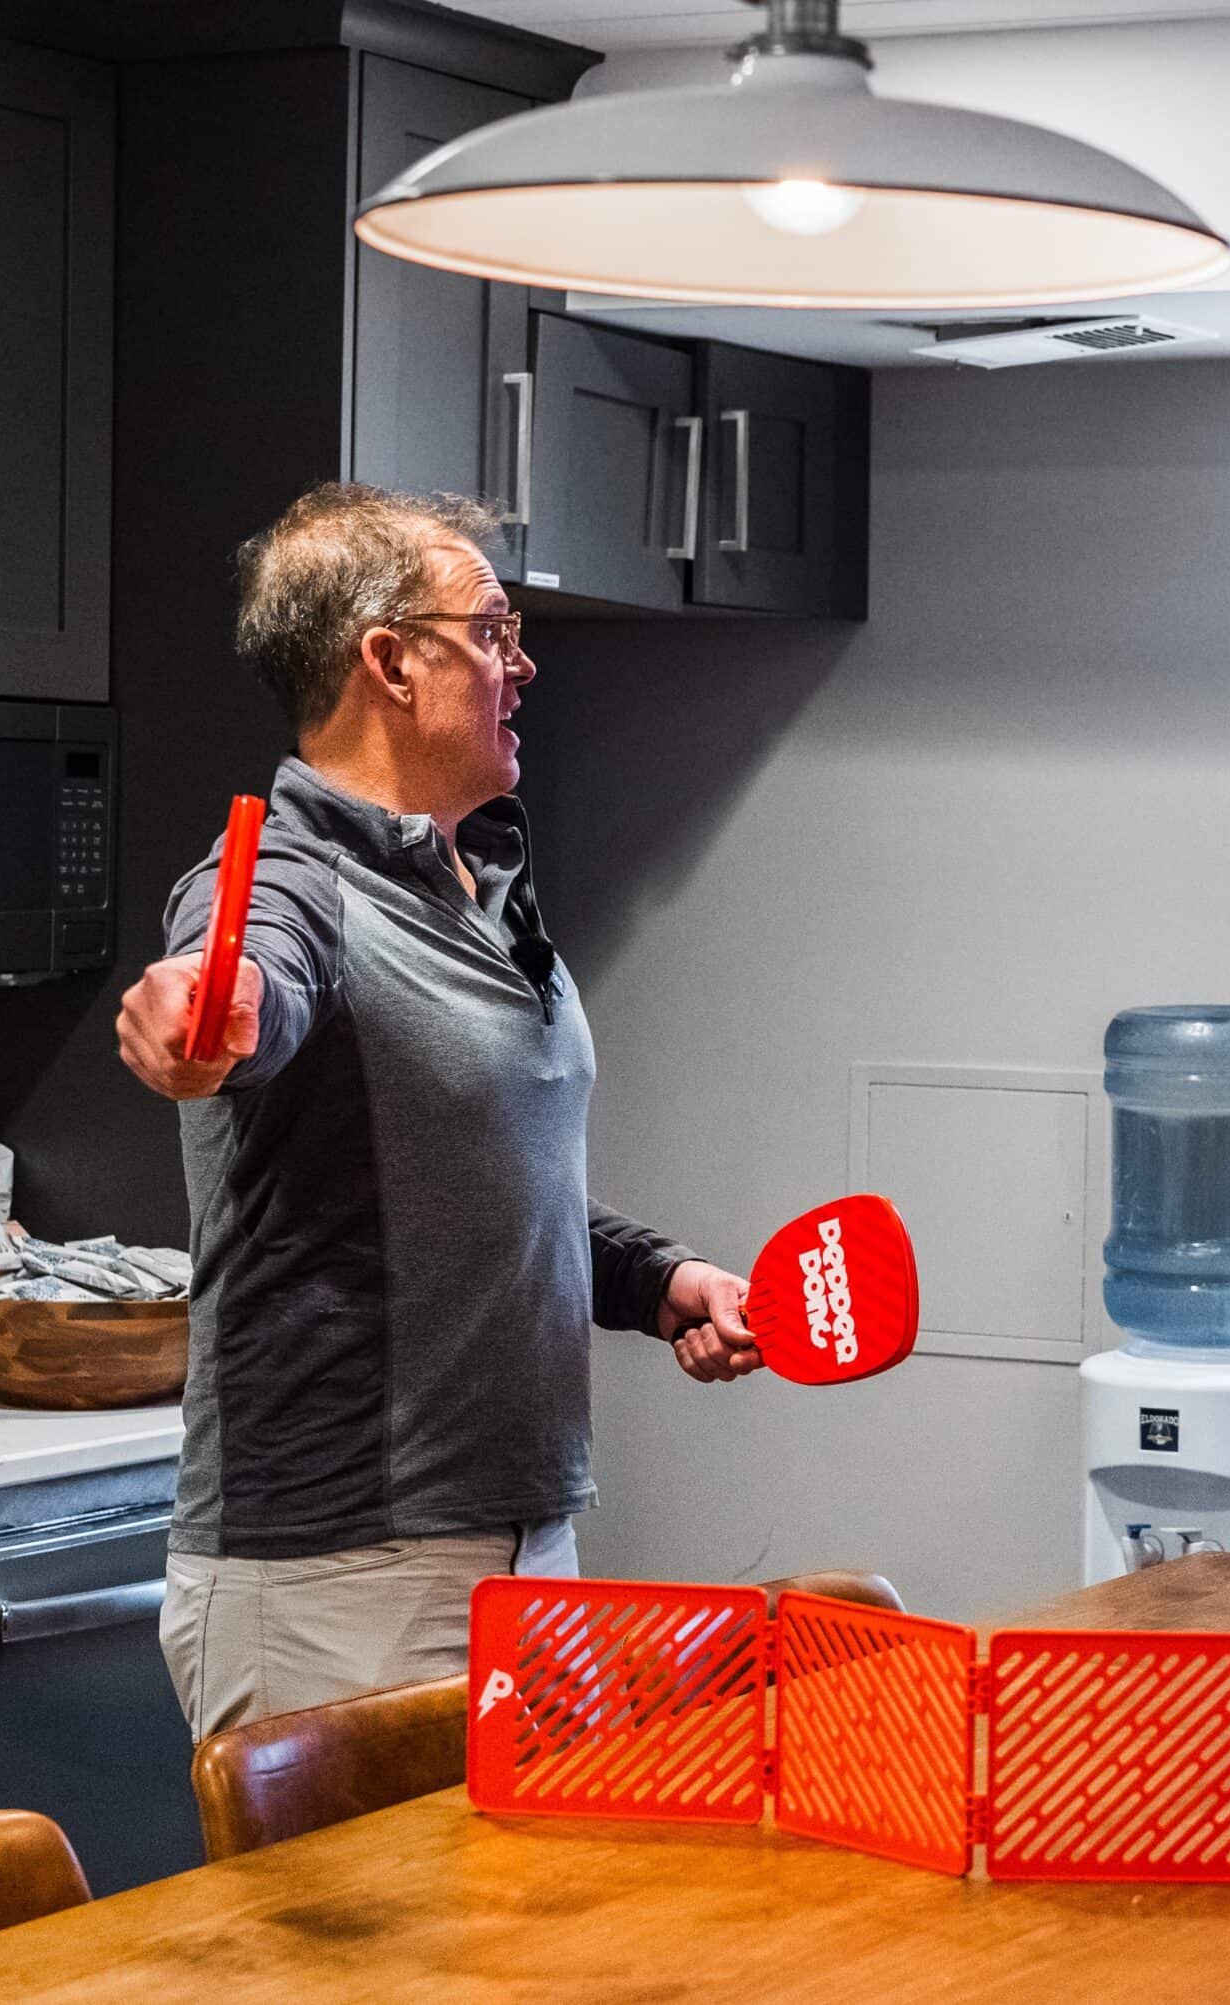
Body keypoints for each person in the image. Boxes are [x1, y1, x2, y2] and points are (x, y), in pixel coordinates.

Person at [117, 483, 760, 1737]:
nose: (521, 666)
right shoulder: (294, 882)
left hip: (518, 1544)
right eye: (494, 629)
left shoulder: (480, 887)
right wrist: (202, 1013)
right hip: (336, 1573)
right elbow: (240, 979)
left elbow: (474, 1183)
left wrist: (652, 1276)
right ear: (390, 662)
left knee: (509, 1941)